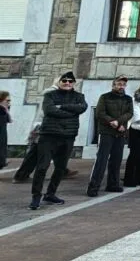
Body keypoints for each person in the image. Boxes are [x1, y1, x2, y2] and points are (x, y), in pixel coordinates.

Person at [29, 71, 88, 210]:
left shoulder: (79, 96)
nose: (67, 83)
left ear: (74, 83)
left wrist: (61, 107)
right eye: (64, 81)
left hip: (68, 136)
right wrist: (71, 113)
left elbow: (82, 107)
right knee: (42, 167)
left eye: (70, 81)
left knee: (61, 168)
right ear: (59, 82)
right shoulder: (50, 95)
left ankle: (50, 193)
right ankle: (36, 196)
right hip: (49, 136)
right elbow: (49, 110)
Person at [87, 76, 133, 197]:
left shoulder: (128, 99)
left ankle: (113, 184)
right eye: (119, 84)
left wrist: (120, 123)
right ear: (113, 85)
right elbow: (100, 113)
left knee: (116, 160)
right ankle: (94, 186)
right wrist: (111, 121)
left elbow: (129, 113)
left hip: (120, 132)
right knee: (101, 160)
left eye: (123, 84)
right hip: (106, 132)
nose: (121, 86)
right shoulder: (105, 97)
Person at [0, 90, 11, 169]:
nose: (9, 102)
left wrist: (6, 110)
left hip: (2, 132)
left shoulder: (4, 110)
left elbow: (9, 120)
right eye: (7, 100)